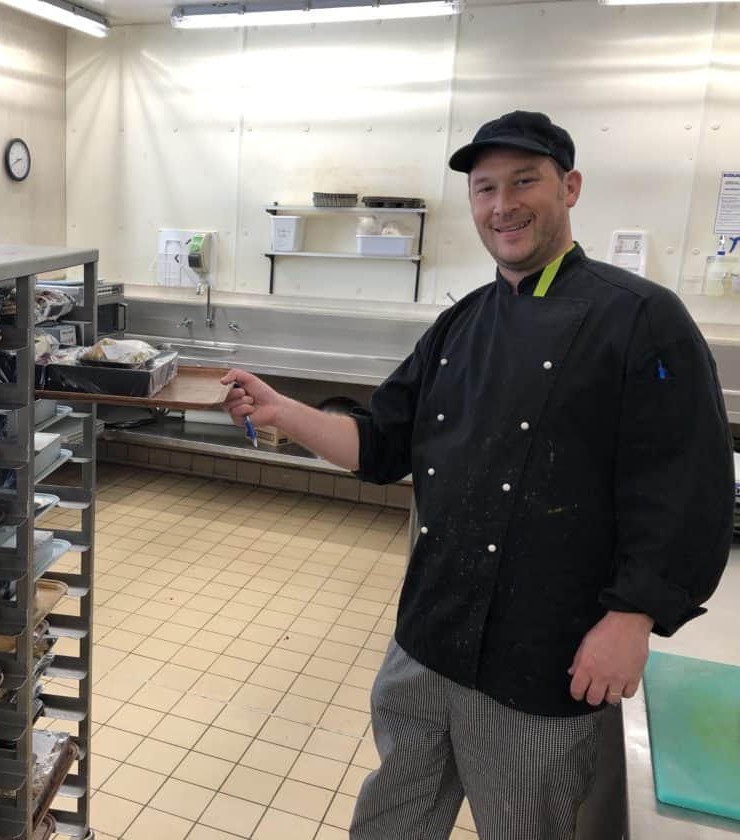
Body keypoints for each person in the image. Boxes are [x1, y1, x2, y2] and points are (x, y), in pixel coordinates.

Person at [221, 110, 733, 840]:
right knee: (391, 818)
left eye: (525, 181)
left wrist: (633, 616)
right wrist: (281, 409)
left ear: (571, 188)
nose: (502, 205)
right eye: (485, 188)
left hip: (545, 659)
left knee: (527, 826)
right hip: (429, 639)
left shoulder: (642, 319)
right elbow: (379, 445)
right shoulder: (461, 327)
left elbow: (687, 485)